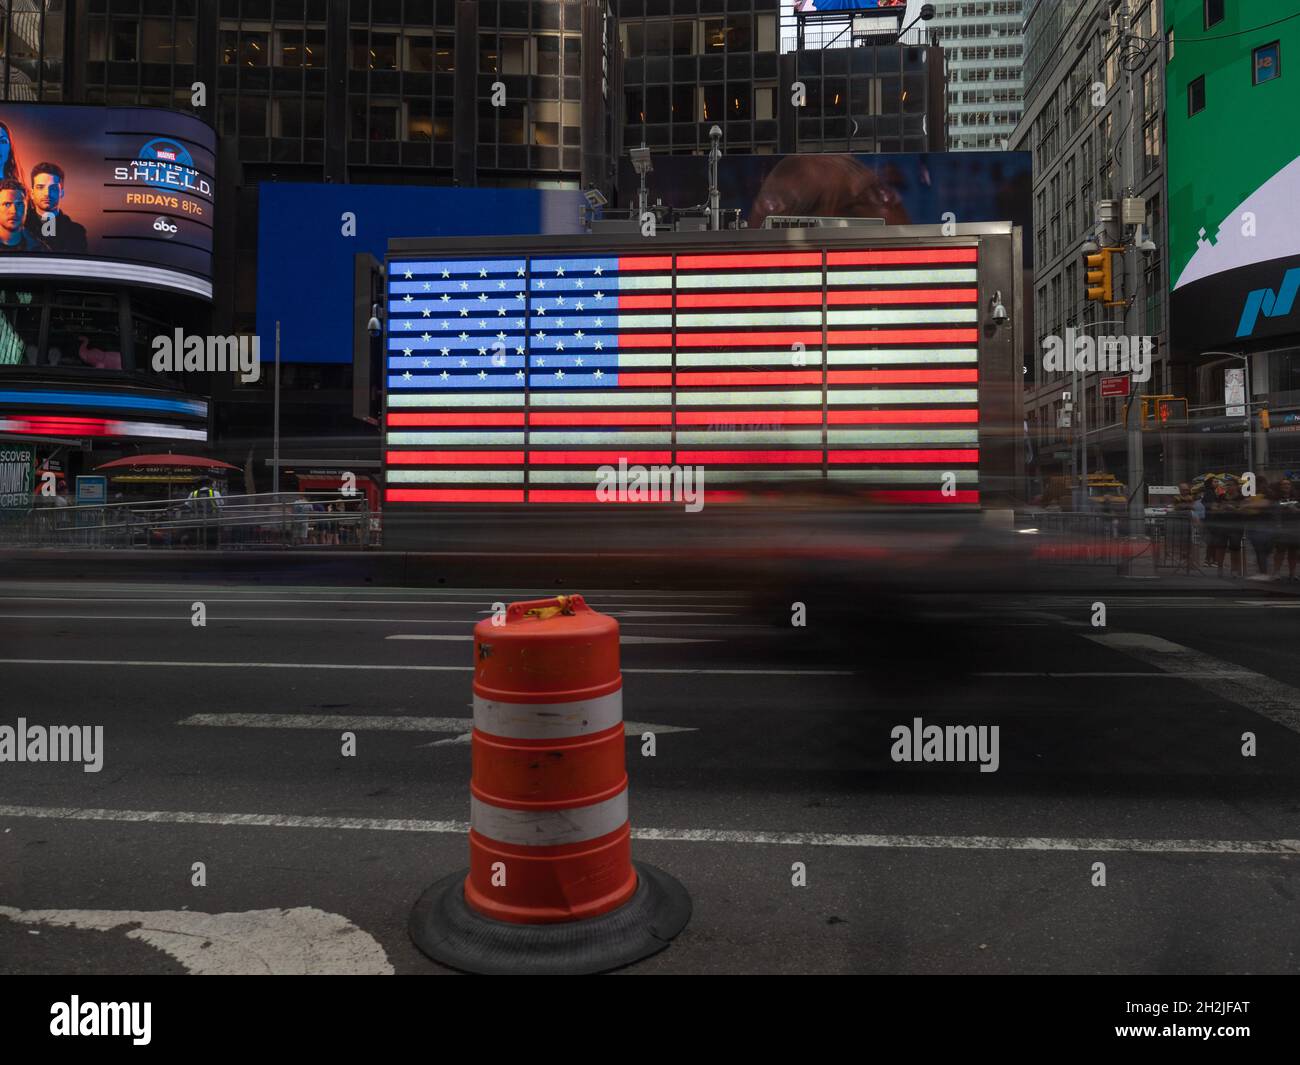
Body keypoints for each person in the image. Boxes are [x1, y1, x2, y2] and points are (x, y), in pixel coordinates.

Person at [24, 163, 88, 253]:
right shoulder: (20, 227)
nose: (47, 193)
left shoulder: (76, 232)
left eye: (53, 188)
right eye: (40, 187)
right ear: (32, 193)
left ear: (61, 193)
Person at [1241, 476, 1275, 579]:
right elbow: (1243, 506)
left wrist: (1248, 505)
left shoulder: (1269, 494)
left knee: (1263, 550)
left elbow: (1264, 504)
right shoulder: (1252, 495)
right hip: (1254, 525)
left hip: (1264, 525)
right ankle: (1263, 572)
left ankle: (1264, 572)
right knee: (1260, 550)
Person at [0, 178, 48, 252]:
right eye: (7, 204)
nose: (14, 211)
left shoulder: (40, 249)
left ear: (26, 208)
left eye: (19, 204)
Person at [1274, 477, 1300, 582]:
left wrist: (1296, 510)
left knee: (1293, 552)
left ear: (1291, 486)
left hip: (1294, 528)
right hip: (1281, 528)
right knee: (1280, 551)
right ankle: (1276, 573)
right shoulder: (1276, 498)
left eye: (1288, 484)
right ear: (1280, 487)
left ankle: (1292, 574)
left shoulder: (1297, 497)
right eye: (1283, 484)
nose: (1286, 486)